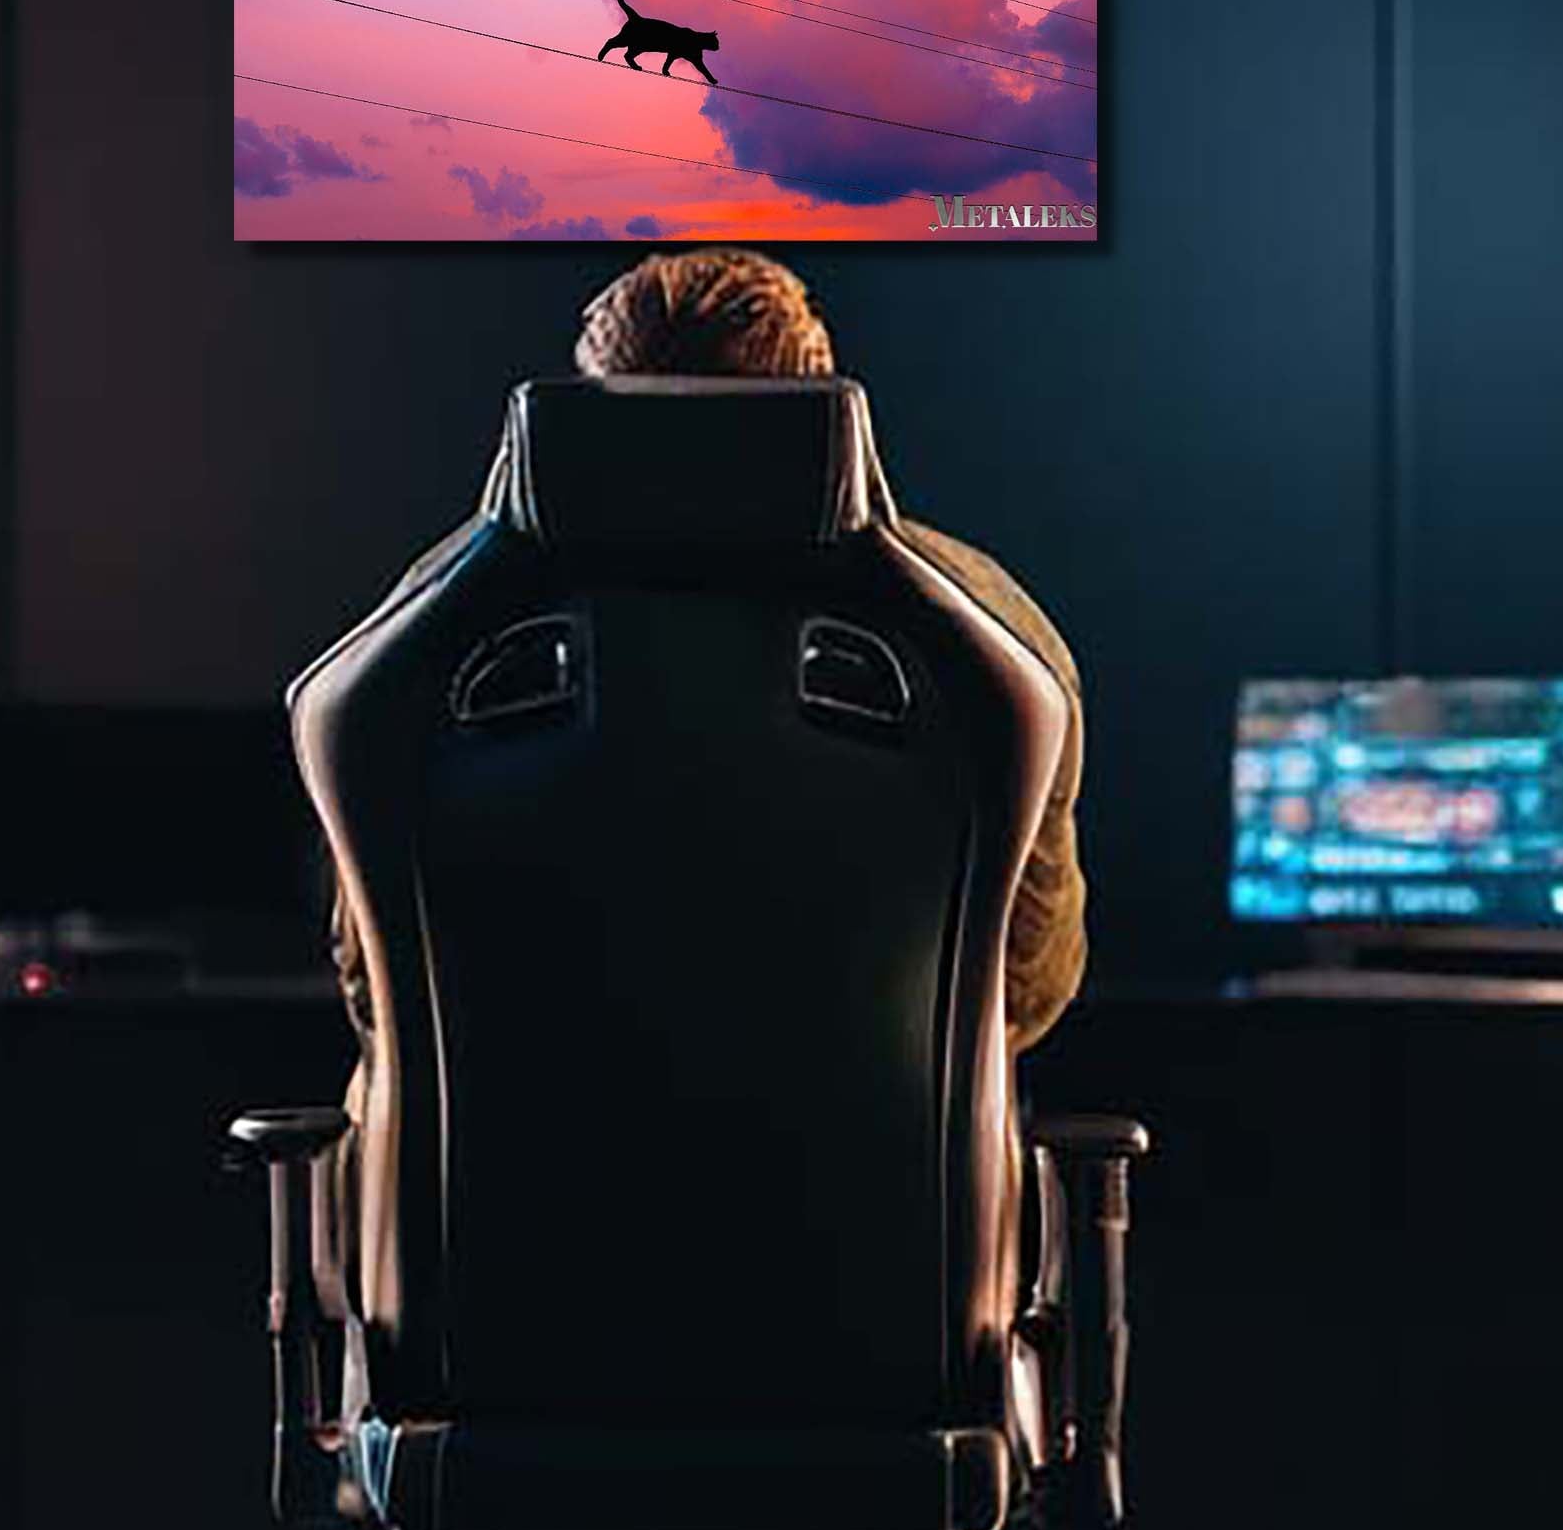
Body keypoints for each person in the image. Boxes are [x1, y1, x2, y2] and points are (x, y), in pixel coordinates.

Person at [323, 245, 1087, 1055]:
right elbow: (1025, 986)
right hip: (875, 1165)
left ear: (585, 419)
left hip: (515, 1160)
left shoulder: (437, 624)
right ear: (822, 407)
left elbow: (372, 984)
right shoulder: (987, 637)